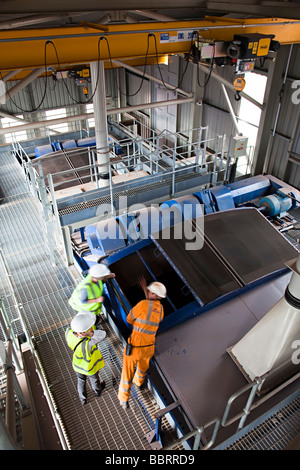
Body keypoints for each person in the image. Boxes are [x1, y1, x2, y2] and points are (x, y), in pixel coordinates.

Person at [118, 276, 166, 409]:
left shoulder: (142, 304)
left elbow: (129, 319)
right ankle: (139, 384)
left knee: (126, 373)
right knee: (142, 369)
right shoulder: (161, 310)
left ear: (154, 294)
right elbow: (151, 307)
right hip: (149, 349)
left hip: (135, 348)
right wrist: (145, 291)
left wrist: (145, 294)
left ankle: (124, 399)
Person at [65, 311, 106, 405]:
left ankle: (83, 399)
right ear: (84, 332)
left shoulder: (68, 332)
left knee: (81, 380)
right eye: (89, 328)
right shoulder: (88, 343)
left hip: (77, 365)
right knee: (94, 380)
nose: (91, 328)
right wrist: (90, 335)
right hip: (89, 367)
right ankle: (98, 392)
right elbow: (103, 334)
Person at [68, 263, 115, 328]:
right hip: (85, 308)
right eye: (104, 276)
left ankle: (97, 319)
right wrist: (96, 300)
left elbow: (101, 279)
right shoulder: (86, 288)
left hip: (89, 307)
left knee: (94, 317)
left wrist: (108, 276)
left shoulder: (93, 276)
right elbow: (83, 301)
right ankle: (94, 324)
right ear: (99, 277)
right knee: (90, 320)